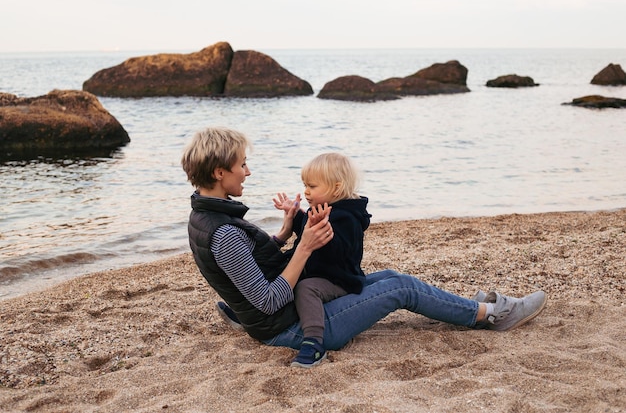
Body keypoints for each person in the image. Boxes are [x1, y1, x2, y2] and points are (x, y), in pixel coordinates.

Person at [181, 126, 548, 368]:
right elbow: (268, 300)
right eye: (242, 165)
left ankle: (472, 306)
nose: (247, 172)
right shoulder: (223, 231)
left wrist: (286, 231)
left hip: (279, 313)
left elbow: (250, 264)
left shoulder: (207, 216)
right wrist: (305, 246)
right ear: (219, 172)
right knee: (402, 289)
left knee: (390, 276)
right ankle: (492, 315)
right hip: (292, 325)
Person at [272, 153, 371, 367]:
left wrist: (322, 230)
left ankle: (314, 342)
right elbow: (304, 231)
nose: (306, 191)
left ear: (336, 188)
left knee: (305, 288)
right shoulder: (320, 209)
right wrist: (296, 215)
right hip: (317, 270)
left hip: (338, 279)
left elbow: (340, 254)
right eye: (305, 185)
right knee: (282, 269)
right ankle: (257, 312)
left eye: (312, 186)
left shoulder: (347, 219)